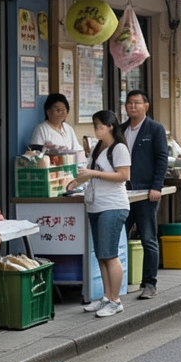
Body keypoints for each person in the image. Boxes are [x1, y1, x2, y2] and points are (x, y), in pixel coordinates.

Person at [69, 110, 132, 319]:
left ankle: (116, 300)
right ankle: (107, 296)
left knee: (110, 255)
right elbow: (88, 172)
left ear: (111, 126)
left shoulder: (119, 148)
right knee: (102, 255)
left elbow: (124, 175)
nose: (96, 129)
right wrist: (75, 182)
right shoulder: (98, 148)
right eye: (95, 125)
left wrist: (93, 174)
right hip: (96, 205)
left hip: (113, 205)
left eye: (99, 126)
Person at [123, 90, 168, 300]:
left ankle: (150, 283)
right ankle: (120, 282)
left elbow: (162, 159)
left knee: (148, 237)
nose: (132, 106)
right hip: (123, 191)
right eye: (129, 103)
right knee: (119, 237)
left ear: (146, 106)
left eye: (137, 103)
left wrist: (156, 187)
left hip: (146, 192)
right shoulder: (121, 129)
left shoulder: (155, 128)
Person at [29, 93, 85, 159]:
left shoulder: (68, 128)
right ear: (48, 111)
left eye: (63, 110)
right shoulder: (41, 129)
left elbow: (77, 149)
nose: (61, 112)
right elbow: (36, 154)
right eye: (58, 110)